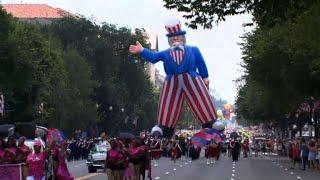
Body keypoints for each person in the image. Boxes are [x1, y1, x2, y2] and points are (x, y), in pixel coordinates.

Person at [129, 19, 218, 138]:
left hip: (192, 78)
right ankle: (165, 127)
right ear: (169, 40)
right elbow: (154, 57)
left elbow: (201, 63)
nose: (175, 38)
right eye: (172, 37)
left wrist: (205, 76)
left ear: (182, 37)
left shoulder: (193, 50)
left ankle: (210, 122)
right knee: (168, 102)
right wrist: (142, 50)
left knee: (200, 98)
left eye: (177, 36)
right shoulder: (165, 53)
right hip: (172, 81)